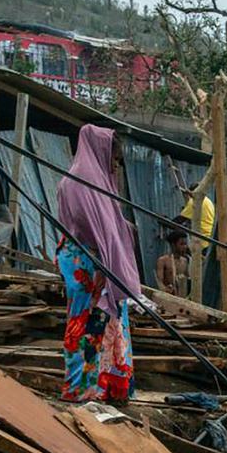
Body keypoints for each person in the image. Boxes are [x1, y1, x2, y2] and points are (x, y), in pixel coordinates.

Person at [56, 125, 141, 403]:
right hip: (88, 262)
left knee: (101, 322)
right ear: (101, 152)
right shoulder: (81, 181)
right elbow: (92, 227)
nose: (114, 166)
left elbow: (108, 225)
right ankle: (82, 388)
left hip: (91, 260)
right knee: (86, 322)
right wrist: (107, 259)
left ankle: (104, 386)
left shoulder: (93, 180)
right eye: (113, 159)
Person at [155, 225, 190, 297]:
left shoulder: (185, 261)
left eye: (185, 244)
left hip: (182, 297)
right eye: (182, 244)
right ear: (173, 245)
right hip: (168, 297)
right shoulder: (163, 261)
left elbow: (186, 279)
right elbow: (159, 282)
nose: (185, 247)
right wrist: (166, 289)